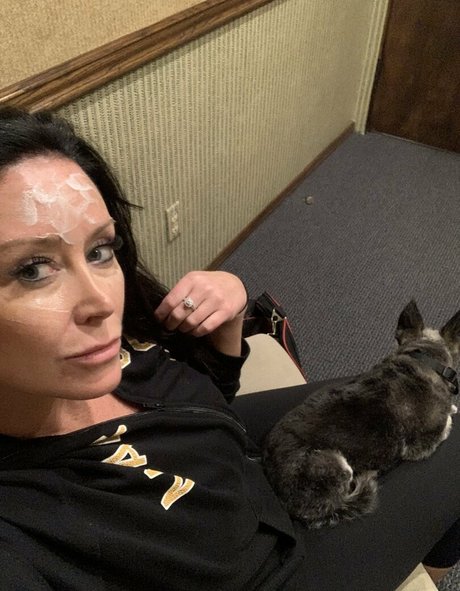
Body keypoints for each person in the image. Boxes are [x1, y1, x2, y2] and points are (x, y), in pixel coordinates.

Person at [0, 106, 458, 591]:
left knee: (405, 392)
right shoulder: (22, 529)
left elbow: (206, 396)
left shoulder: (111, 341)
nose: (102, 302)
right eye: (32, 269)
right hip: (275, 571)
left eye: (99, 251)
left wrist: (231, 314)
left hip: (234, 452)